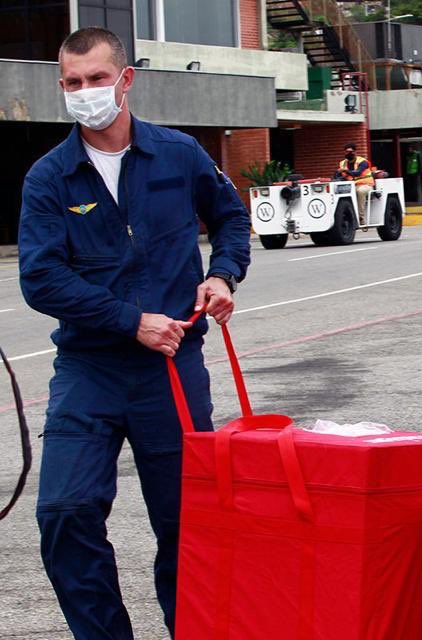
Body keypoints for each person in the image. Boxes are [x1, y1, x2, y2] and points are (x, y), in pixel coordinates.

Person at [18, 27, 251, 639]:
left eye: (96, 79)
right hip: (89, 369)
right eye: (72, 83)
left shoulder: (178, 154)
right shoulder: (49, 178)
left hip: (171, 371)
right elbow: (40, 280)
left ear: (126, 79)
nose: (85, 92)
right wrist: (130, 321)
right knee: (64, 513)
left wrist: (223, 275)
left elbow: (230, 217)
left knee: (186, 526)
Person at [336, 141, 375, 222]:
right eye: (347, 152)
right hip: (351, 186)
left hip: (366, 185)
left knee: (360, 191)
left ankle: (361, 218)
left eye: (351, 152)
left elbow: (357, 173)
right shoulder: (342, 163)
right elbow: (338, 175)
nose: (349, 153)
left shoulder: (362, 162)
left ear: (355, 152)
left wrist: (346, 171)